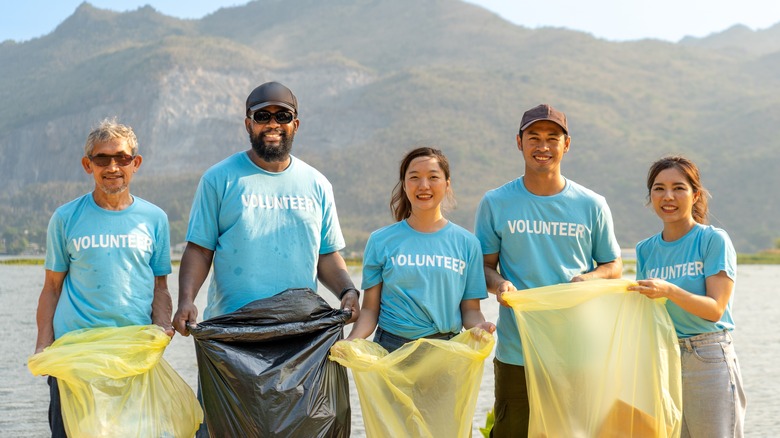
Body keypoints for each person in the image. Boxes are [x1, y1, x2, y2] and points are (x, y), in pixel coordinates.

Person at [172, 81, 359, 433]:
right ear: (248, 124)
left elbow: (327, 255)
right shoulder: (219, 179)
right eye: (263, 116)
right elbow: (199, 249)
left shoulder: (317, 184)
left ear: (295, 124)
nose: (273, 123)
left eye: (282, 115)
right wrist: (186, 301)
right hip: (232, 338)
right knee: (221, 428)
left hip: (300, 338)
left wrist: (348, 291)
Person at [474, 104, 623, 436]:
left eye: (552, 138)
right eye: (534, 137)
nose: (543, 146)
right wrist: (500, 285)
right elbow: (483, 268)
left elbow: (613, 265)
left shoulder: (591, 204)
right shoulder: (496, 202)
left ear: (566, 144)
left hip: (578, 351)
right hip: (517, 350)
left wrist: (589, 278)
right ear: (519, 142)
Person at [34, 118, 173, 437]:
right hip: (75, 353)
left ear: (135, 163)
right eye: (102, 159)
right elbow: (52, 288)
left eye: (122, 158)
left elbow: (160, 287)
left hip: (131, 351)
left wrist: (162, 327)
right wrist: (44, 344)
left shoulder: (154, 219)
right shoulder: (66, 218)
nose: (113, 166)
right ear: (88, 165)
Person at [628, 156, 746, 437]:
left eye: (678, 188)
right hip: (664, 358)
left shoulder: (713, 240)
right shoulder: (645, 249)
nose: (668, 196)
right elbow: (648, 313)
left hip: (708, 358)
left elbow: (715, 309)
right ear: (650, 197)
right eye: (659, 188)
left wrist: (668, 290)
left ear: (696, 195)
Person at [346, 147, 495, 352]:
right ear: (405, 185)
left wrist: (479, 327)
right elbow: (370, 310)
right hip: (391, 349)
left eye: (433, 177)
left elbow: (471, 310)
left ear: (447, 184)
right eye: (414, 177)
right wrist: (351, 340)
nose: (424, 185)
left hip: (447, 350)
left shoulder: (467, 243)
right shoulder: (380, 240)